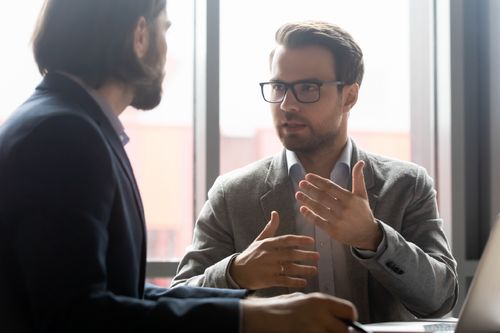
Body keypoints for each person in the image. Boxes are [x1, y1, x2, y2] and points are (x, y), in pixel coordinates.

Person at [0, 3, 359, 333]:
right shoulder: (64, 134)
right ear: (140, 35)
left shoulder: (69, 125)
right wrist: (249, 317)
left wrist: (253, 308)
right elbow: (74, 316)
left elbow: (116, 293)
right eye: (165, 30)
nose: (168, 52)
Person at [172, 20, 459, 323]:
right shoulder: (232, 194)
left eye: (307, 88)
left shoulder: (407, 185)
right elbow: (179, 300)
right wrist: (235, 272)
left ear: (349, 96)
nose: (287, 104)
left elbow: (440, 300)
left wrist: (374, 238)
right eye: (279, 87)